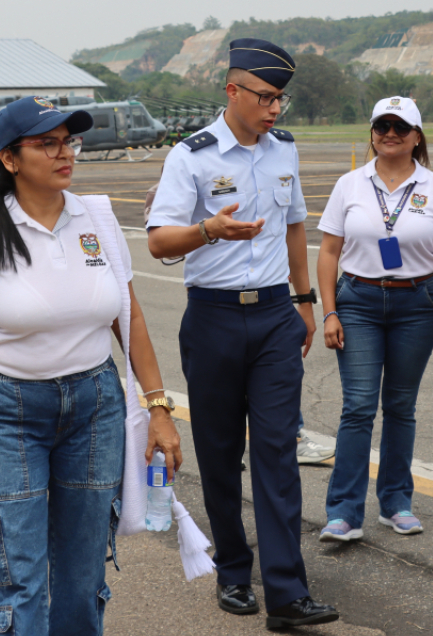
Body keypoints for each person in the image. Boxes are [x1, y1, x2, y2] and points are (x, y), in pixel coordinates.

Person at [0, 98, 182, 635]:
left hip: (95, 408)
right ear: (10, 159)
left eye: (69, 141)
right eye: (48, 143)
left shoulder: (98, 220)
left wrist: (158, 408)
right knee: (17, 577)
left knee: (81, 575)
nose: (65, 153)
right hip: (8, 413)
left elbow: (128, 320)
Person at [147, 39, 338, 629]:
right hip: (214, 318)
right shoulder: (193, 156)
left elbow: (295, 227)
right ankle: (233, 571)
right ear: (232, 91)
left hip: (277, 316)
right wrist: (209, 230)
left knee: (278, 450)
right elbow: (158, 241)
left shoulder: (284, 151)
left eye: (281, 98)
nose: (274, 109)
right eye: (264, 96)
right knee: (222, 451)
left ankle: (285, 592)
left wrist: (304, 302)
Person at [316, 96, 433, 542]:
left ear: (417, 137)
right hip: (358, 302)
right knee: (359, 406)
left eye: (400, 127)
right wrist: (328, 311)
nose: (390, 133)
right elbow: (327, 252)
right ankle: (344, 512)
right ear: (372, 134)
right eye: (381, 125)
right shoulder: (350, 185)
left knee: (400, 406)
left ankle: (396, 502)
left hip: (417, 303)